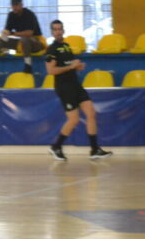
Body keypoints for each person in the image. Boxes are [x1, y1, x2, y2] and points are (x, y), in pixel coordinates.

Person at [45, 20, 113, 161]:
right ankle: (56, 146)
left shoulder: (67, 46)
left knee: (91, 113)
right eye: (55, 29)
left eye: (60, 29)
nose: (58, 31)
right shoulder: (51, 50)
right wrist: (71, 67)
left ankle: (94, 150)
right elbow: (51, 70)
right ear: (52, 32)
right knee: (74, 120)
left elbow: (69, 64)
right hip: (64, 88)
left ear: (63, 30)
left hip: (76, 85)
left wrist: (78, 66)